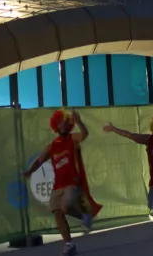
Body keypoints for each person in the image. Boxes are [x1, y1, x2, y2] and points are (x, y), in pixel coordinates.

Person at [24, 110, 102, 256]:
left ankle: (85, 213)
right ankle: (69, 244)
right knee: (58, 213)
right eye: (61, 122)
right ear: (56, 126)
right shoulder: (52, 146)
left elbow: (84, 134)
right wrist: (29, 172)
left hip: (73, 182)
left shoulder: (73, 139)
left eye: (67, 122)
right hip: (58, 185)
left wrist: (79, 121)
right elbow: (39, 161)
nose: (64, 124)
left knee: (65, 206)